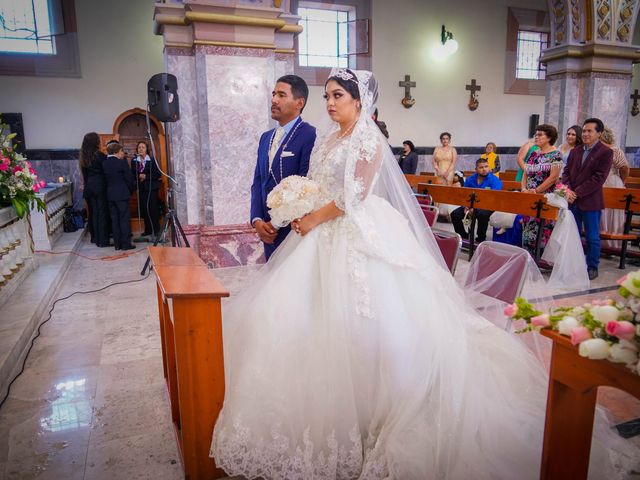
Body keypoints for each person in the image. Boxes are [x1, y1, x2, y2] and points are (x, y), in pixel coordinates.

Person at [210, 69, 637, 479]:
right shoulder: (325, 140)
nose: (331, 103)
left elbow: (353, 197)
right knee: (293, 320)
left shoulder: (368, 141)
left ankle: (371, 415)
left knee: (371, 327)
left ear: (360, 101)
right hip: (317, 231)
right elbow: (319, 184)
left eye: (338, 96)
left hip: (352, 229)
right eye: (328, 96)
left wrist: (314, 216)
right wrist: (299, 206)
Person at [250, 75, 316, 260]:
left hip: (291, 229)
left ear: (299, 102)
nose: (274, 100)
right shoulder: (266, 137)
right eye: (273, 94)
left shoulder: (310, 135)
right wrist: (257, 220)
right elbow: (258, 181)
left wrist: (275, 224)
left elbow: (306, 184)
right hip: (265, 229)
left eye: (281, 95)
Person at [562, 117, 613, 280]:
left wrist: (577, 192)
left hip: (591, 201)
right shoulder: (575, 151)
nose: (585, 134)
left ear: (599, 133)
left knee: (592, 237)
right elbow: (566, 173)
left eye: (589, 131)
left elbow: (599, 178)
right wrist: (568, 190)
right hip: (572, 200)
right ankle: (573, 264)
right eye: (584, 130)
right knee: (573, 235)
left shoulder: (605, 152)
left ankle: (592, 266)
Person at [521, 124, 564, 257]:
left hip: (544, 198)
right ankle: (527, 257)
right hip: (529, 196)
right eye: (536, 134)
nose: (536, 137)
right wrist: (523, 188)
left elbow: (553, 177)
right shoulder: (534, 153)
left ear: (549, 137)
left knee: (541, 229)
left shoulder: (556, 155)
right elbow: (526, 172)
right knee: (527, 228)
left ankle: (539, 258)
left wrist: (536, 191)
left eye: (540, 135)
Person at [450, 158, 502, 242]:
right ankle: (464, 236)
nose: (484, 169)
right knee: (455, 214)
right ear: (476, 169)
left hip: (488, 206)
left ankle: (480, 239)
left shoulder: (494, 180)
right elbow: (465, 194)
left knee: (482, 214)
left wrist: (475, 208)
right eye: (481, 167)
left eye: (486, 166)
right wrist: (466, 206)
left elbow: (494, 198)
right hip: (471, 205)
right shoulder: (470, 179)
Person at [600, 126, 630, 249]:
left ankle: (611, 245)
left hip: (611, 181)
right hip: (597, 182)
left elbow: (624, 168)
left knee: (610, 214)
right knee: (600, 213)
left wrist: (621, 181)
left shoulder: (614, 150)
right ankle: (598, 243)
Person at [79, 132, 109, 247]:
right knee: (101, 213)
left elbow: (85, 176)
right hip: (99, 187)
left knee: (93, 213)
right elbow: (105, 172)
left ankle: (94, 238)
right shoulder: (100, 156)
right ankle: (102, 241)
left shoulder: (83, 157)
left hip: (89, 188)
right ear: (95, 142)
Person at [103, 142, 135, 250]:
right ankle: (126, 244)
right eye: (121, 151)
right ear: (116, 152)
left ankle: (117, 245)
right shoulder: (122, 163)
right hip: (122, 194)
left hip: (110, 195)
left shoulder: (104, 163)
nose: (122, 153)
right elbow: (129, 179)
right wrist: (130, 191)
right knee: (124, 220)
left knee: (115, 220)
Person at [131, 140, 162, 240]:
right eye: (139, 147)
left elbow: (158, 174)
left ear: (147, 149)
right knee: (144, 209)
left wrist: (146, 176)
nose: (141, 149)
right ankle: (148, 229)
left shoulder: (152, 160)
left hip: (151, 189)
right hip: (141, 188)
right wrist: (138, 176)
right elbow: (132, 174)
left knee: (153, 209)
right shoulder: (134, 161)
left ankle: (156, 230)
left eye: (143, 147)